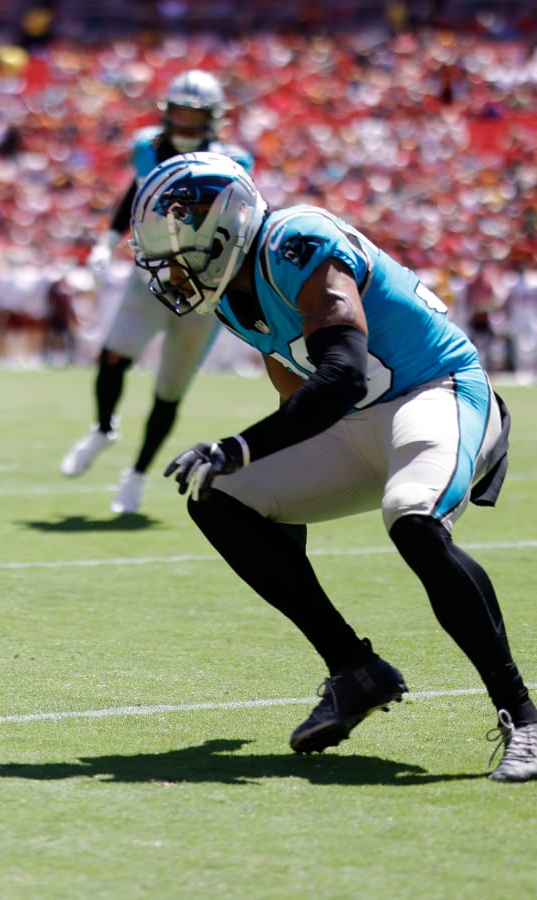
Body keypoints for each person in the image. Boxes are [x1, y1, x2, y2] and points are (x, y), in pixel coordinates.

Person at [131, 151, 535, 781]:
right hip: (357, 423)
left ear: (224, 226)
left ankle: (524, 717)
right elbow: (297, 398)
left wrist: (238, 445)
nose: (176, 269)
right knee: (222, 497)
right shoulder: (234, 295)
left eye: (183, 248)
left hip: (436, 394)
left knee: (413, 520)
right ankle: (355, 670)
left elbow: (342, 374)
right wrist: (264, 501)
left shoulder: (296, 241)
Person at [61, 69, 254, 515]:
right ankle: (104, 427)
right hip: (152, 274)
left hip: (206, 286)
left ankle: (138, 474)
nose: (184, 124)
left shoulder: (232, 161)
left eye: (194, 116)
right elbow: (134, 195)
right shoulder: (148, 148)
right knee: (113, 356)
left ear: (211, 119)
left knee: (170, 389)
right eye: (178, 114)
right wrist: (104, 243)